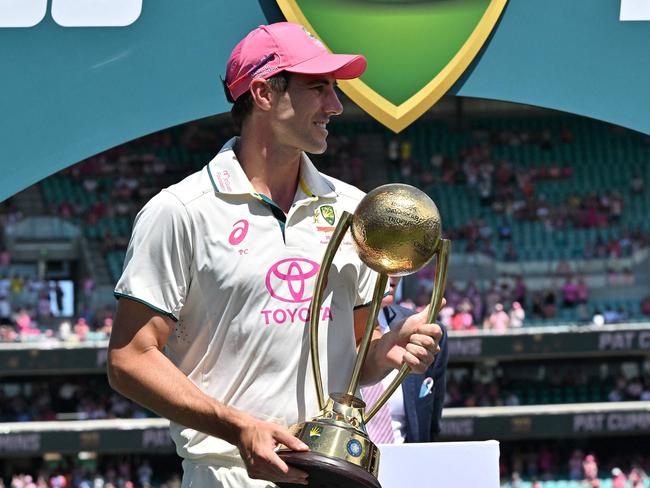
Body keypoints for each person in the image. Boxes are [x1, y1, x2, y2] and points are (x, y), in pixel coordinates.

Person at [107, 22, 443, 488]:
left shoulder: (356, 211)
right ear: (264, 93)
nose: (336, 106)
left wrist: (386, 352)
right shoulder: (179, 212)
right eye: (318, 88)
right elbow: (129, 360)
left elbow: (352, 362)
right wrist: (238, 428)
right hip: (225, 475)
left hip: (330, 474)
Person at [362, 276, 448, 444]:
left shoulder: (428, 332)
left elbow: (430, 429)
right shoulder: (316, 328)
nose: (395, 269)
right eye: (378, 252)